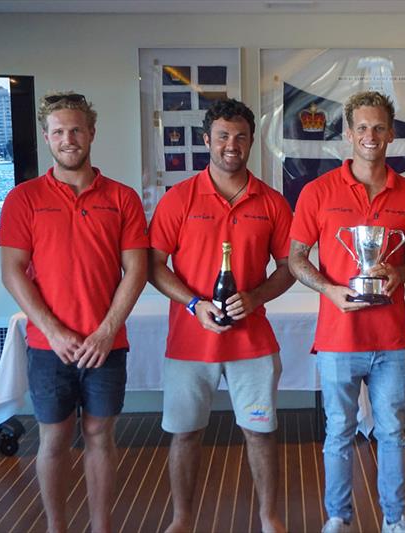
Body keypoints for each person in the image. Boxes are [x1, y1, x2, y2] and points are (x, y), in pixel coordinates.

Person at [0, 92, 149, 533]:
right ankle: (56, 527)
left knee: (101, 436)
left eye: (77, 130)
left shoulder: (122, 198)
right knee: (54, 439)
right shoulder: (24, 199)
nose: (69, 139)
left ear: (92, 133)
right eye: (60, 131)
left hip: (107, 344)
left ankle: (102, 527)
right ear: (47, 137)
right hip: (50, 347)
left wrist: (105, 331)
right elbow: (12, 272)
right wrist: (54, 330)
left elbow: (136, 271)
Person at [148, 98, 292, 533]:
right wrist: (194, 304)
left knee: (260, 432)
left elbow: (289, 267)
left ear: (252, 142)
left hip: (252, 341)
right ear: (207, 140)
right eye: (224, 136)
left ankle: (269, 519)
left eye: (241, 137)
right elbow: (154, 265)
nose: (232, 145)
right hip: (190, 342)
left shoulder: (271, 202)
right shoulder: (179, 199)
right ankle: (182, 519)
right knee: (185, 433)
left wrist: (256, 296)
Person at [288, 91, 405, 533]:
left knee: (391, 433)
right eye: (362, 128)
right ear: (347, 134)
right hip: (337, 337)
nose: (371, 136)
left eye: (379, 127)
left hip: (390, 339)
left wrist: (399, 274)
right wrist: (329, 289)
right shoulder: (317, 192)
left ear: (392, 133)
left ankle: (394, 518)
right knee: (338, 435)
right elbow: (295, 258)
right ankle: (339, 518)